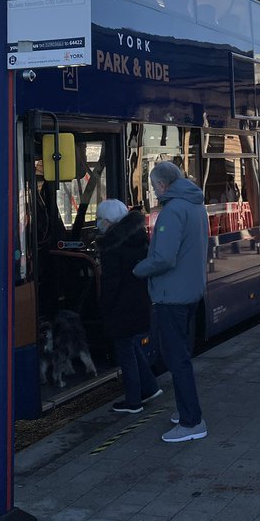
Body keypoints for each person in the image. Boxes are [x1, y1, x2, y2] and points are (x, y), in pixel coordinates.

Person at [134, 161, 209, 443]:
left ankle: (191, 422)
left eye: (153, 186)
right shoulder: (195, 205)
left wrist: (138, 269)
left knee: (176, 359)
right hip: (190, 292)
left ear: (163, 185)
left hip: (171, 296)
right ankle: (185, 410)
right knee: (182, 356)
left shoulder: (172, 210)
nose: (154, 192)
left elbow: (164, 258)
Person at [95, 200, 163, 414]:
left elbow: (110, 283)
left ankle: (133, 401)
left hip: (121, 306)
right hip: (139, 301)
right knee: (132, 345)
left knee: (125, 351)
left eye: (98, 220)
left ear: (108, 221)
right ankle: (150, 388)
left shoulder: (112, 246)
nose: (97, 224)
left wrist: (104, 306)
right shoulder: (138, 237)